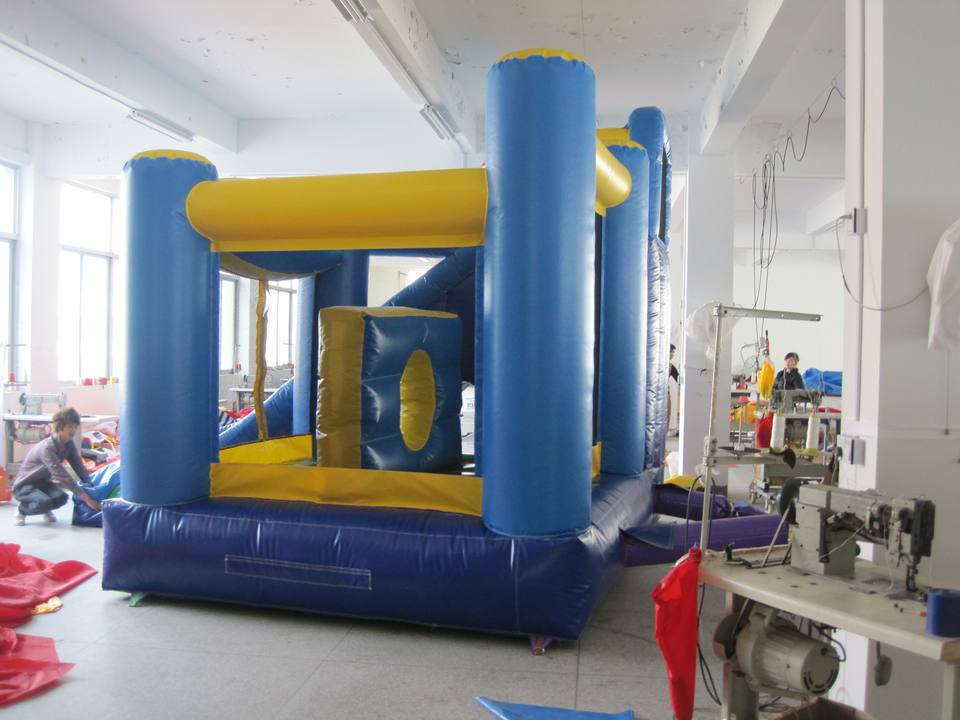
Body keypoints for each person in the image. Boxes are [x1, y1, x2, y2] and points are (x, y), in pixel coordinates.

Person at [12, 407, 101, 526]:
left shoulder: (69, 444)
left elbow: (79, 466)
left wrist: (92, 486)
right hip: (25, 486)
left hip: (42, 484)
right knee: (43, 502)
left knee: (62, 498)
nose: (73, 430)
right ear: (60, 426)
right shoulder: (47, 447)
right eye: (70, 426)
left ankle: (45, 508)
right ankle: (22, 510)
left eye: (75, 426)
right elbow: (61, 475)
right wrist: (87, 499)